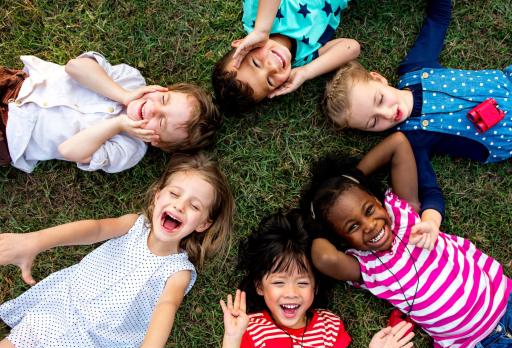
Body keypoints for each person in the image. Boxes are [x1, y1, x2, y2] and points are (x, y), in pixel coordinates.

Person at [0, 152, 234, 348]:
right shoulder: (134, 225)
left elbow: (167, 308)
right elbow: (95, 229)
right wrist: (36, 241)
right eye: (174, 193)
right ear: (157, 196)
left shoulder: (178, 271)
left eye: (194, 206)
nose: (180, 205)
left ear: (204, 224)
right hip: (58, 311)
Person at [301, 132, 512, 348]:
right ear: (343, 240)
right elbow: (324, 258)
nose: (369, 225)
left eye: (369, 210)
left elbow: (398, 143)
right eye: (352, 227)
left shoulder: (404, 212)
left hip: (504, 299)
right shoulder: (364, 267)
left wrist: (354, 177)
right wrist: (313, 225)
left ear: (379, 201)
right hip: (476, 347)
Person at [324, 0, 512, 221]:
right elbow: (429, 189)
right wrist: (431, 220)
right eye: (374, 122)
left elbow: (437, 20)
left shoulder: (415, 67)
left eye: (380, 99)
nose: (386, 113)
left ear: (378, 78)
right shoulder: (412, 140)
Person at [215, 210, 414, 348]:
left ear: (316, 286)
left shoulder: (328, 326)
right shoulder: (251, 329)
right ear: (259, 286)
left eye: (302, 283)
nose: (291, 293)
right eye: (278, 282)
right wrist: (232, 338)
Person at [0, 52, 220, 173]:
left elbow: (68, 150)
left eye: (160, 122)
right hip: (17, 85)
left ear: (158, 142)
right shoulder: (130, 80)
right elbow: (75, 67)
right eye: (163, 99)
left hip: (12, 137)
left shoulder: (128, 150)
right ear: (162, 88)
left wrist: (118, 125)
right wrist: (123, 96)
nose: (153, 108)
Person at [212, 0, 360, 114]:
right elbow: (352, 47)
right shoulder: (304, 58)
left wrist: (262, 30)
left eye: (256, 63)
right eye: (269, 81)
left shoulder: (255, 18)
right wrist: (306, 72)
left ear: (242, 45)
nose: (272, 67)